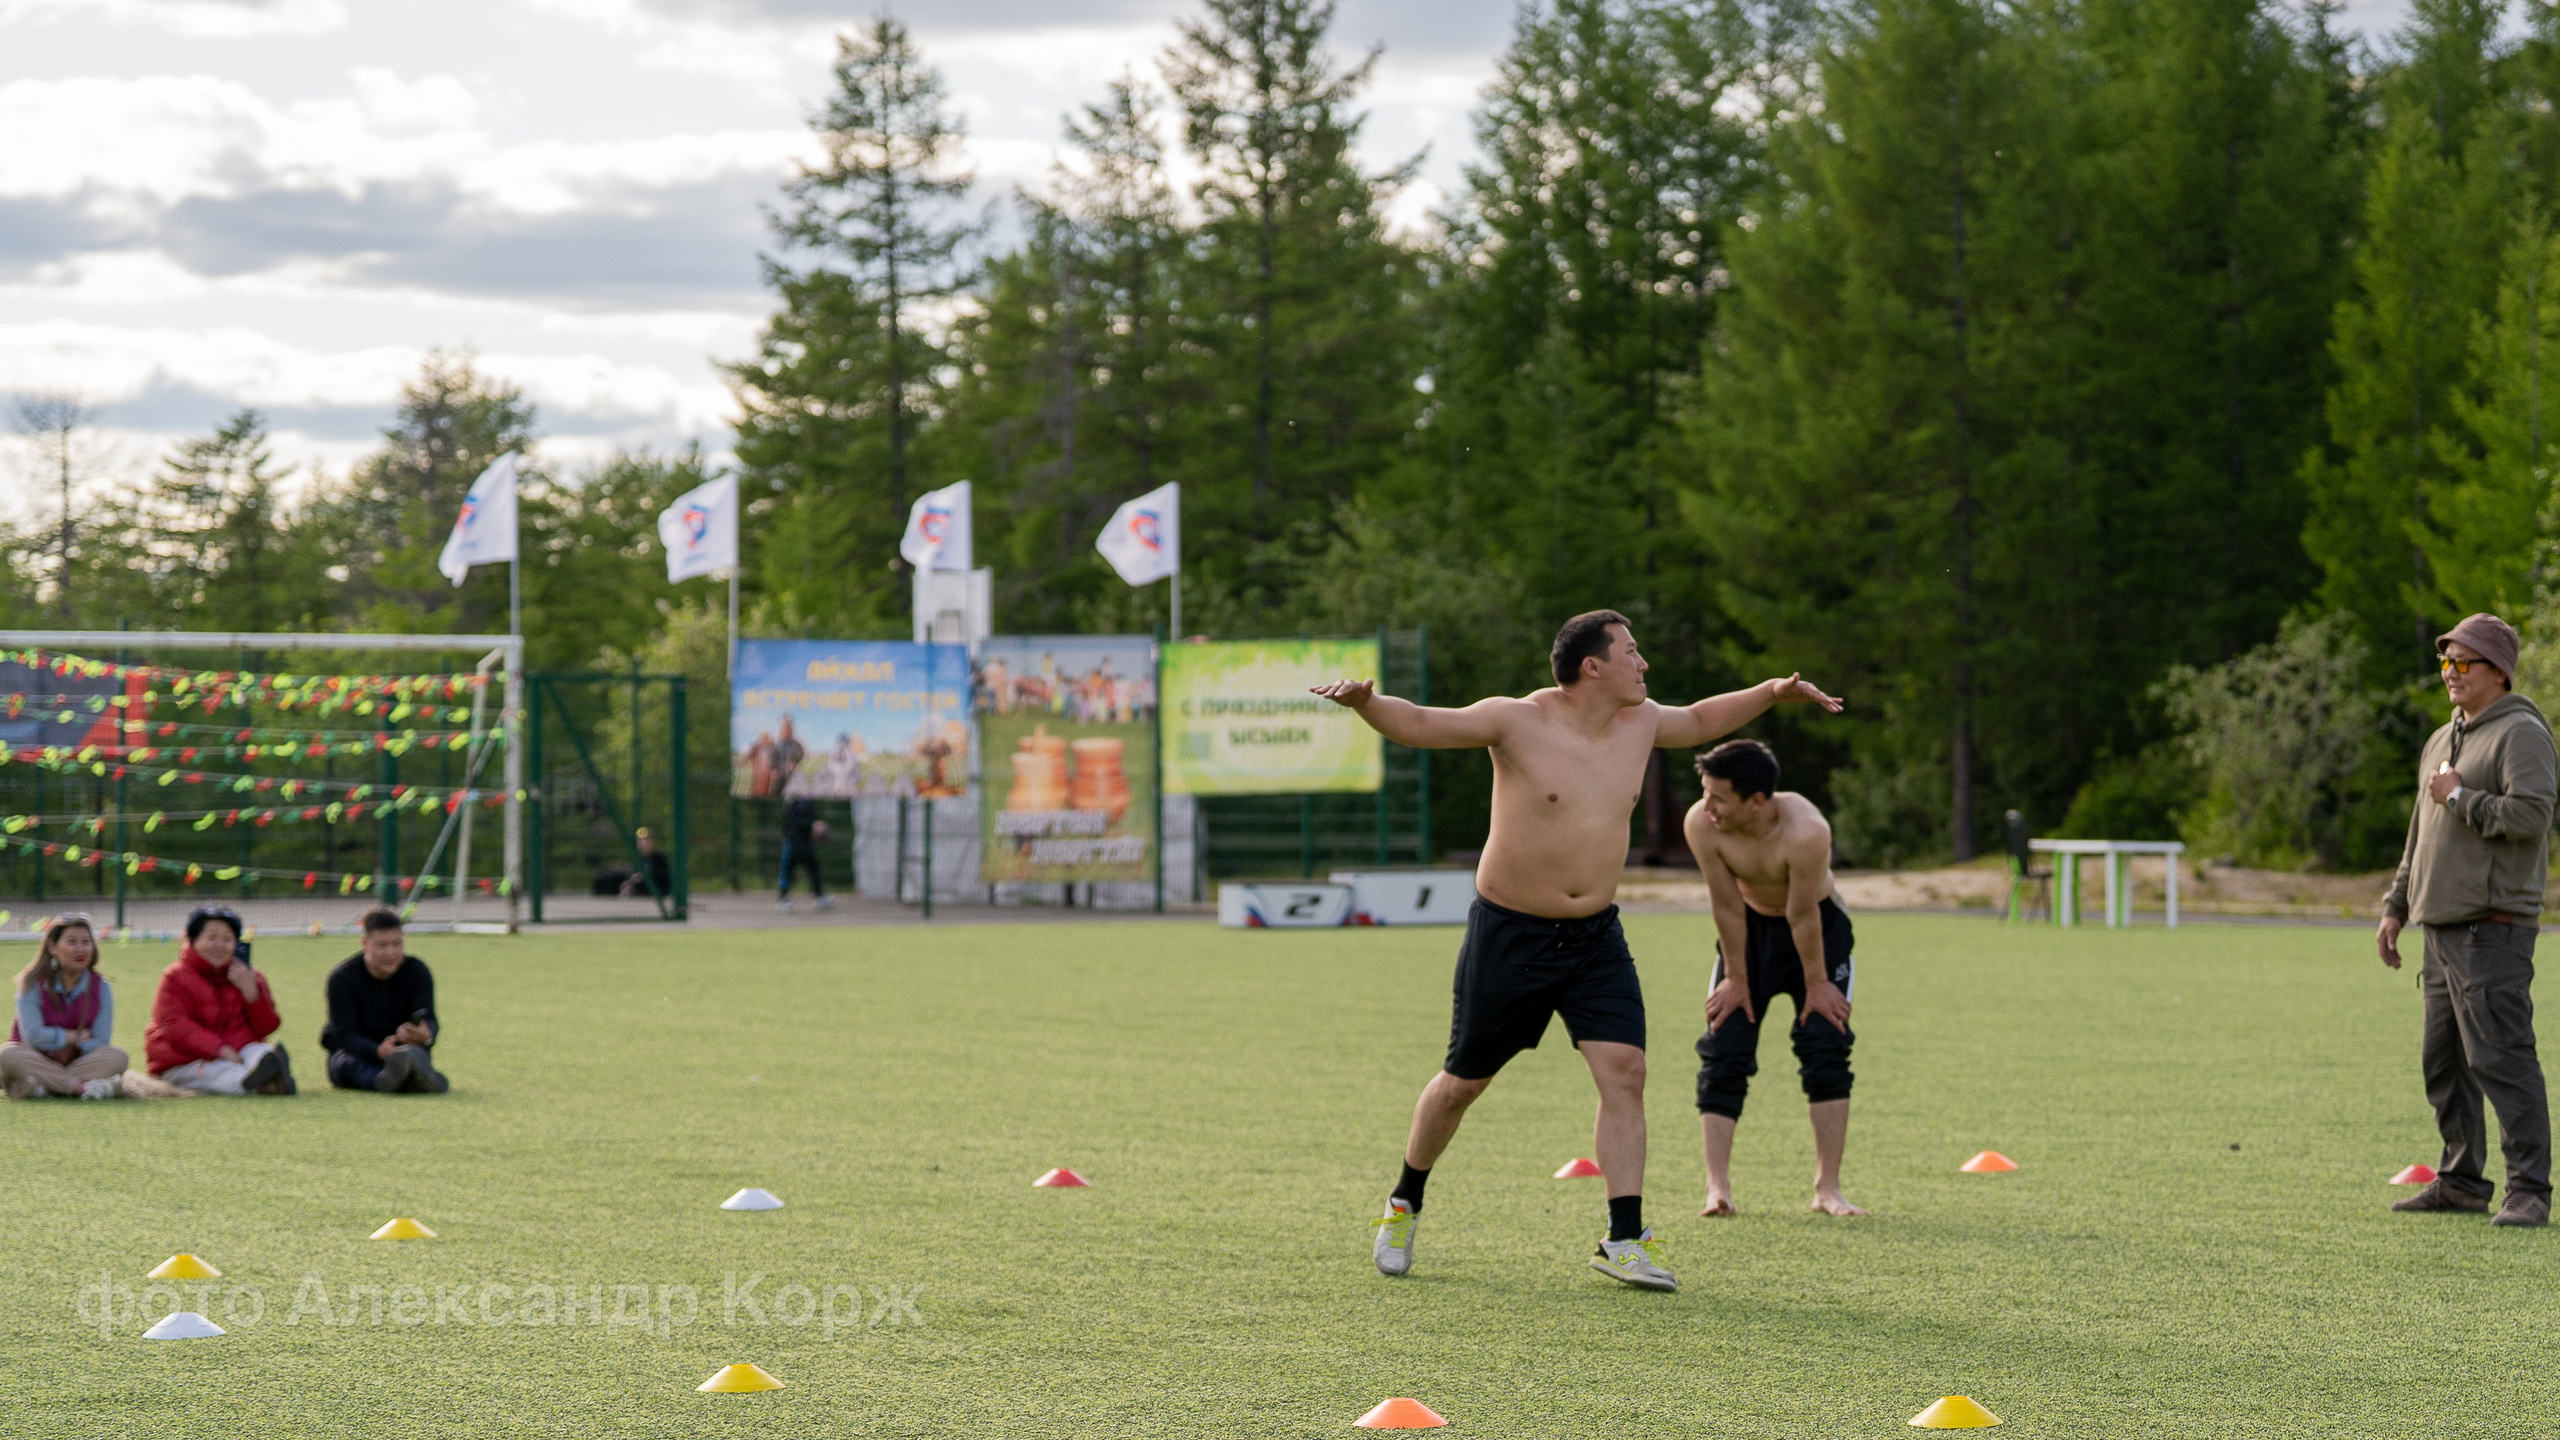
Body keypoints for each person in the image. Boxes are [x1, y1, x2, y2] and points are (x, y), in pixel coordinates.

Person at [1314, 609, 1843, 1290]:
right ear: (1592, 665)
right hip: (1510, 934)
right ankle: (1404, 1201)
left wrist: (1771, 691)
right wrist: (1368, 704)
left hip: (1595, 936)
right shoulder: (1517, 721)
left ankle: (1624, 1238)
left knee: (1625, 1070)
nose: (1643, 664)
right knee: (1461, 1085)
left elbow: (1707, 719)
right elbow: (1420, 724)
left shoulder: (1642, 723)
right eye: (1632, 652)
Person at [2378, 612, 2557, 1228]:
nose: (2450, 673)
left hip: (2494, 924)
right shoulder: (2442, 736)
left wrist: (2459, 795)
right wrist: (2395, 905)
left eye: (2463, 663)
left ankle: (2530, 1189)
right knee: (2445, 1062)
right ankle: (2459, 1181)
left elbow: (2532, 817)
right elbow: (2419, 830)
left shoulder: (2522, 734)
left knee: (2501, 1057)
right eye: (2445, 662)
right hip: (2442, 926)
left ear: (2499, 672)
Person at [1683, 739, 1863, 1219]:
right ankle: (1716, 1189)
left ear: (1757, 800)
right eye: (1705, 793)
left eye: (1719, 797)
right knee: (1725, 1047)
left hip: (1816, 931)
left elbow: (1802, 914)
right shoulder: (1703, 824)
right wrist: (1736, 977)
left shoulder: (1806, 832)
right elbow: (1725, 903)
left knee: (1825, 1043)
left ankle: (1828, 1188)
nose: (1708, 806)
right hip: (1748, 934)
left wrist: (1819, 983)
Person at [146, 905, 294, 1095]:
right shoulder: (175, 976)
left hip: (239, 1050)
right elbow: (175, 1026)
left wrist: (251, 992)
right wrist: (220, 1050)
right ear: (192, 940)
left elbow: (267, 1027)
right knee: (228, 1074)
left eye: (227, 939)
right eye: (212, 937)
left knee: (261, 1054)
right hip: (185, 1060)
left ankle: (271, 1075)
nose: (220, 945)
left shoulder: (249, 975)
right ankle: (265, 1082)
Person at [321, 908, 447, 1094]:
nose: (391, 952)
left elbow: (430, 1020)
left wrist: (424, 1034)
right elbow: (345, 1035)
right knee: (347, 1063)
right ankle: (388, 1080)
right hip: (358, 1053)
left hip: (404, 1050)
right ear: (365, 944)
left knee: (414, 1054)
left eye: (397, 944)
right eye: (382, 945)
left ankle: (407, 1074)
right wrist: (378, 1050)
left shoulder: (417, 971)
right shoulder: (342, 979)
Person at [2, 914, 127, 1099]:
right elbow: (34, 1036)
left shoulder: (101, 987)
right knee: (7, 1054)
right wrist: (75, 1036)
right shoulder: (31, 983)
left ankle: (43, 1086)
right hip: (35, 1057)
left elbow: (100, 1040)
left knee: (118, 1057)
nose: (80, 949)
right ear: (52, 946)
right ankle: (80, 1089)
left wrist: (69, 1046)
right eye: (72, 942)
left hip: (76, 1062)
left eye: (86, 942)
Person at [777, 795, 832, 911]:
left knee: (813, 868)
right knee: (787, 870)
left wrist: (817, 827)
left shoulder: (808, 801)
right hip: (792, 841)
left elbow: (812, 819)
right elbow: (793, 821)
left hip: (806, 841)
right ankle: (783, 898)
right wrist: (812, 825)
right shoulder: (791, 801)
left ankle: (819, 896)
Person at [620, 827, 674, 899]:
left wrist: (641, 877)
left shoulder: (659, 859)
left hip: (657, 895)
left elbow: (660, 879)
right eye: (640, 840)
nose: (643, 843)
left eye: (647, 840)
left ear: (652, 842)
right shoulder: (638, 860)